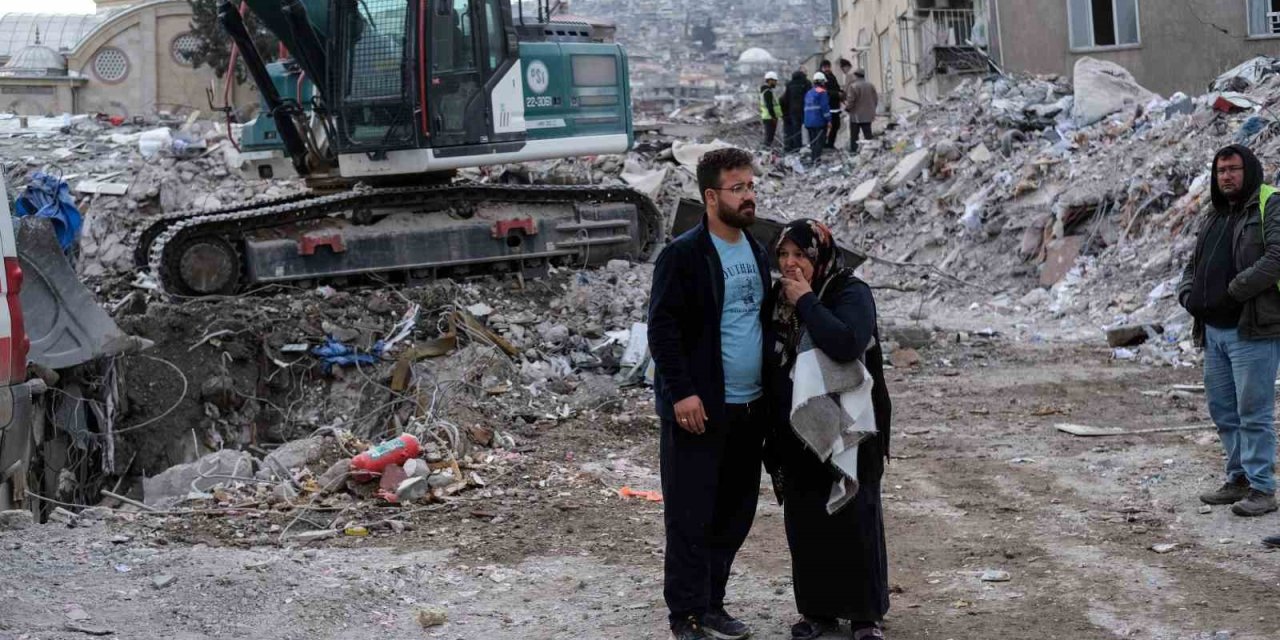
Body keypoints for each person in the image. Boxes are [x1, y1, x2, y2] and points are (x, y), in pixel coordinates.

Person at [648, 147, 772, 640]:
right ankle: (686, 616)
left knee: (734, 515)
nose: (748, 195)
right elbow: (662, 329)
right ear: (710, 196)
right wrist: (682, 393)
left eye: (751, 186)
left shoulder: (757, 250)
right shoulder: (683, 255)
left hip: (749, 408)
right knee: (689, 516)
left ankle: (713, 604)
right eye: (737, 188)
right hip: (698, 411)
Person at [764, 219, 891, 640]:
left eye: (800, 254)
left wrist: (806, 302)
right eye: (783, 255)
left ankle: (865, 616)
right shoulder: (778, 299)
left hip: (852, 426)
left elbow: (846, 342)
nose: (790, 263)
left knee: (855, 516)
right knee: (806, 521)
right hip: (798, 429)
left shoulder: (850, 292)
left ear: (819, 256)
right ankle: (817, 611)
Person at [1178, 143, 1280, 518]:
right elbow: (1195, 262)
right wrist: (1187, 293)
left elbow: (1277, 257)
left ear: (1248, 170)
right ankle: (1237, 478)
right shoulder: (1215, 213)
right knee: (1224, 411)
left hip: (1252, 329)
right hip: (1214, 331)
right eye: (1221, 171)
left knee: (1253, 412)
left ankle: (1262, 488)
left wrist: (1233, 291)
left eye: (1234, 169)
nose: (1227, 177)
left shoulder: (1270, 204)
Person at [844, 68, 878, 154]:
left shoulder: (853, 86)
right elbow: (875, 99)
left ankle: (854, 152)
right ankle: (871, 151)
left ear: (856, 76)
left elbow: (851, 100)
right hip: (868, 115)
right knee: (868, 134)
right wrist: (872, 109)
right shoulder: (870, 85)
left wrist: (847, 108)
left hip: (856, 116)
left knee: (854, 136)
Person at [803, 72, 832, 165]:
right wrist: (829, 120)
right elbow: (825, 108)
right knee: (819, 142)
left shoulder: (809, 92)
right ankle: (817, 161)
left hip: (808, 122)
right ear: (822, 82)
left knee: (813, 142)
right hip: (819, 122)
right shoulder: (822, 92)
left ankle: (813, 159)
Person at [780, 69, 810, 153]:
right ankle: (807, 146)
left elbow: (785, 99)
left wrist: (785, 113)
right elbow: (810, 95)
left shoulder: (790, 84)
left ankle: (797, 147)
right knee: (807, 128)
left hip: (793, 110)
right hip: (804, 109)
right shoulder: (806, 83)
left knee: (796, 129)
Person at [819, 60, 842, 149]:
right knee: (826, 126)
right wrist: (836, 94)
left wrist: (841, 93)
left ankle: (830, 144)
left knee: (836, 125)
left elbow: (837, 87)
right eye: (825, 67)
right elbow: (823, 91)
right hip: (827, 106)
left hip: (835, 105)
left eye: (828, 67)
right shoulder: (820, 77)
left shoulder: (832, 76)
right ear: (822, 68)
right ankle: (823, 144)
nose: (827, 69)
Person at [760, 71, 783, 149]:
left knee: (769, 137)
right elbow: (769, 106)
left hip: (768, 117)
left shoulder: (766, 91)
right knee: (769, 138)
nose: (776, 83)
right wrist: (773, 117)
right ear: (770, 80)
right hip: (769, 118)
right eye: (775, 81)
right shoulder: (767, 92)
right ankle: (765, 151)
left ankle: (765, 151)